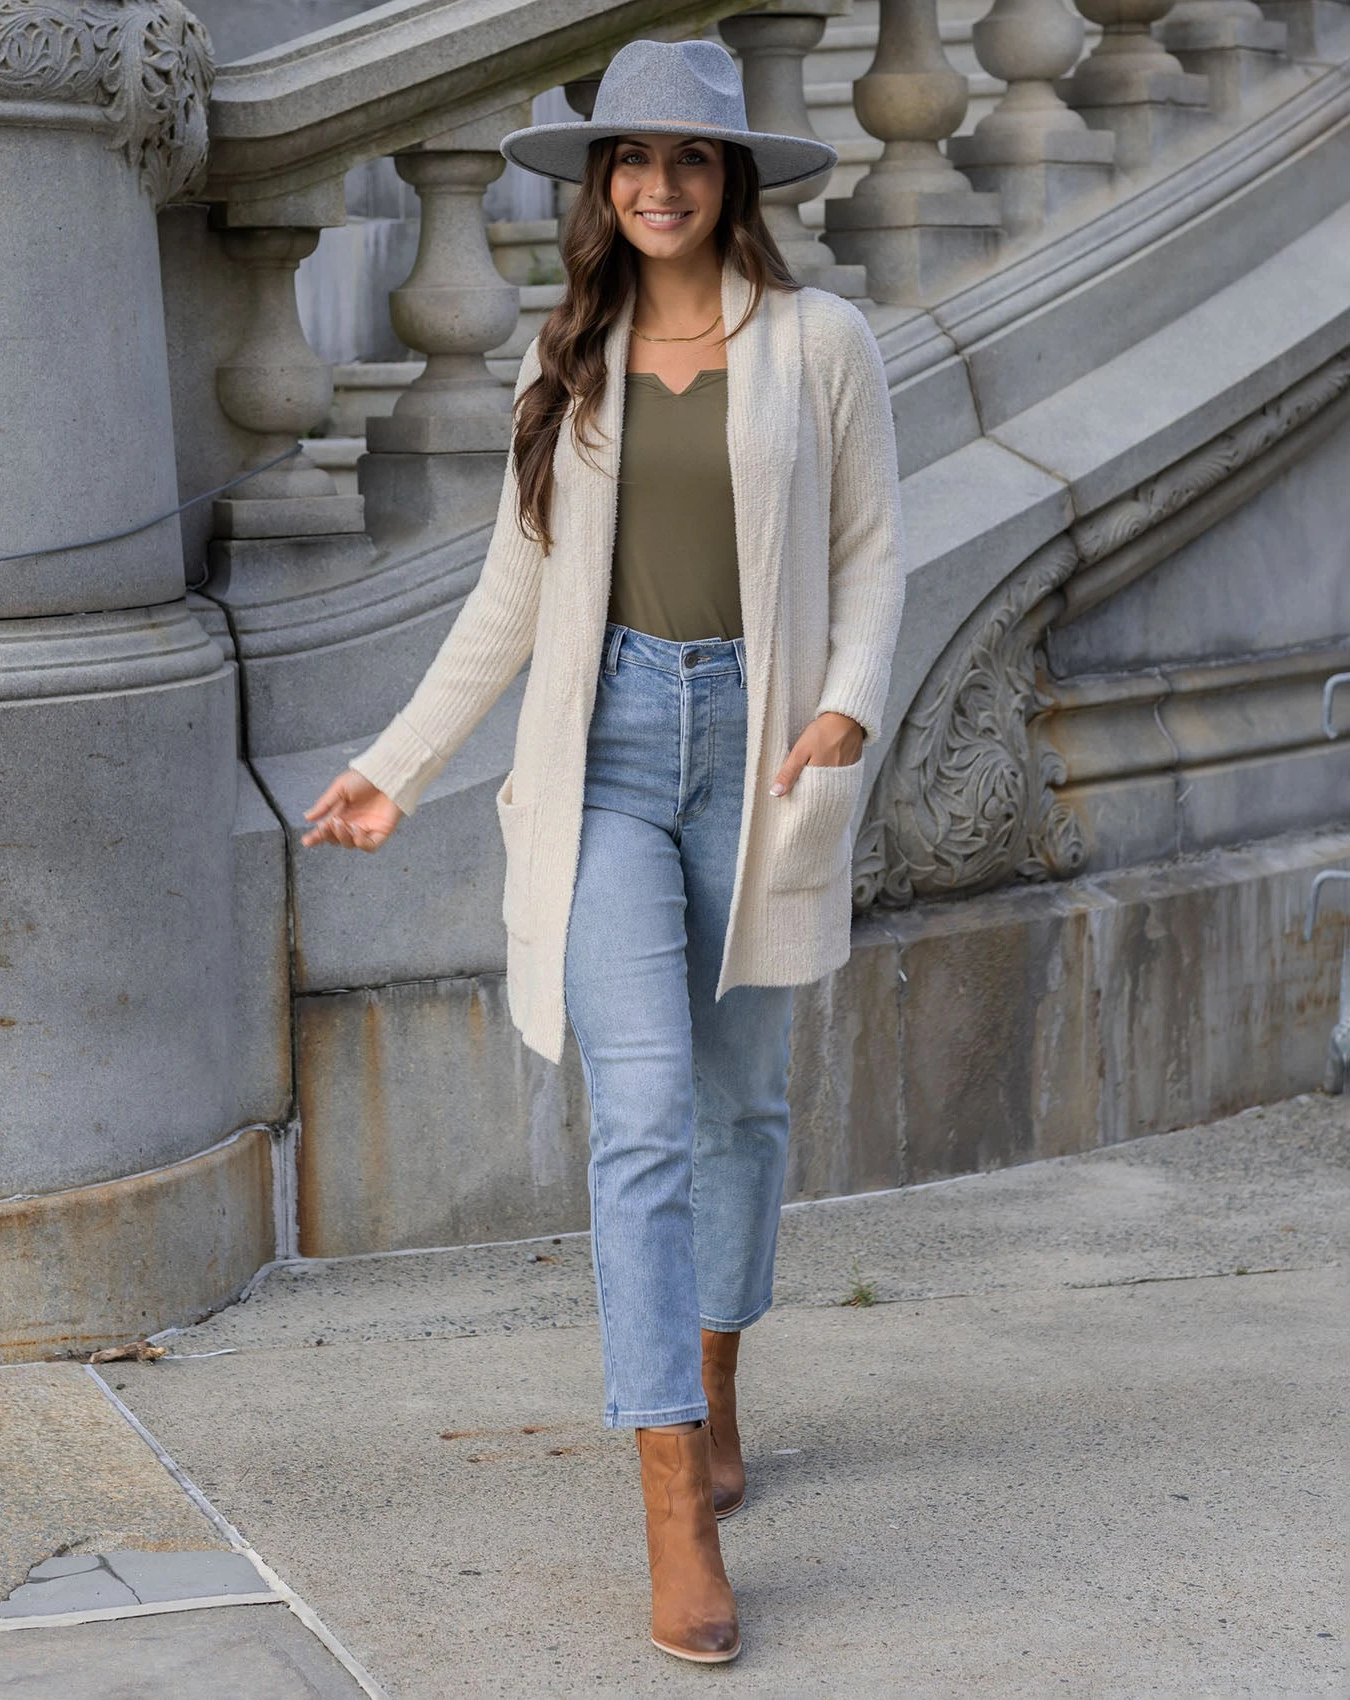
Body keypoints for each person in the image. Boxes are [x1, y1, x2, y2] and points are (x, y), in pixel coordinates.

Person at [300, 36, 906, 1667]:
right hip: (608, 762)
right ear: (600, 186)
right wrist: (396, 766)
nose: (656, 184)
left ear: (733, 179)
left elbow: (871, 556)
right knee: (639, 1116)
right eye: (630, 159)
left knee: (741, 1108)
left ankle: (714, 1372)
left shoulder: (823, 345)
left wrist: (845, 708)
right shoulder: (563, 357)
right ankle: (671, 1496)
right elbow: (510, 595)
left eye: (688, 157)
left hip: (761, 755)